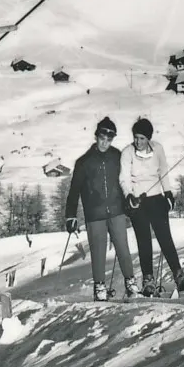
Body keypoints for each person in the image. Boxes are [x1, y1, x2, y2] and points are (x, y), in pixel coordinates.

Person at [64, 116, 136, 299]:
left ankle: (131, 283)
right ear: (96, 137)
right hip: (94, 214)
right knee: (98, 251)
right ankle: (100, 288)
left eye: (109, 139)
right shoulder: (84, 162)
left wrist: (130, 200)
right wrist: (70, 215)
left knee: (123, 249)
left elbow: (125, 181)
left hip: (117, 211)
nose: (105, 143)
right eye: (102, 138)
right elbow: (74, 191)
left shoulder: (117, 157)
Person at [123, 117, 184, 294]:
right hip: (138, 201)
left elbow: (163, 171)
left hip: (156, 199)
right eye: (136, 137)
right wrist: (129, 195)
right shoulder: (127, 152)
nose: (138, 142)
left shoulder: (158, 149)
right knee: (144, 241)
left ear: (149, 139)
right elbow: (124, 178)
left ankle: (179, 276)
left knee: (165, 238)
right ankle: (148, 280)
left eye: (142, 138)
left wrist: (168, 192)